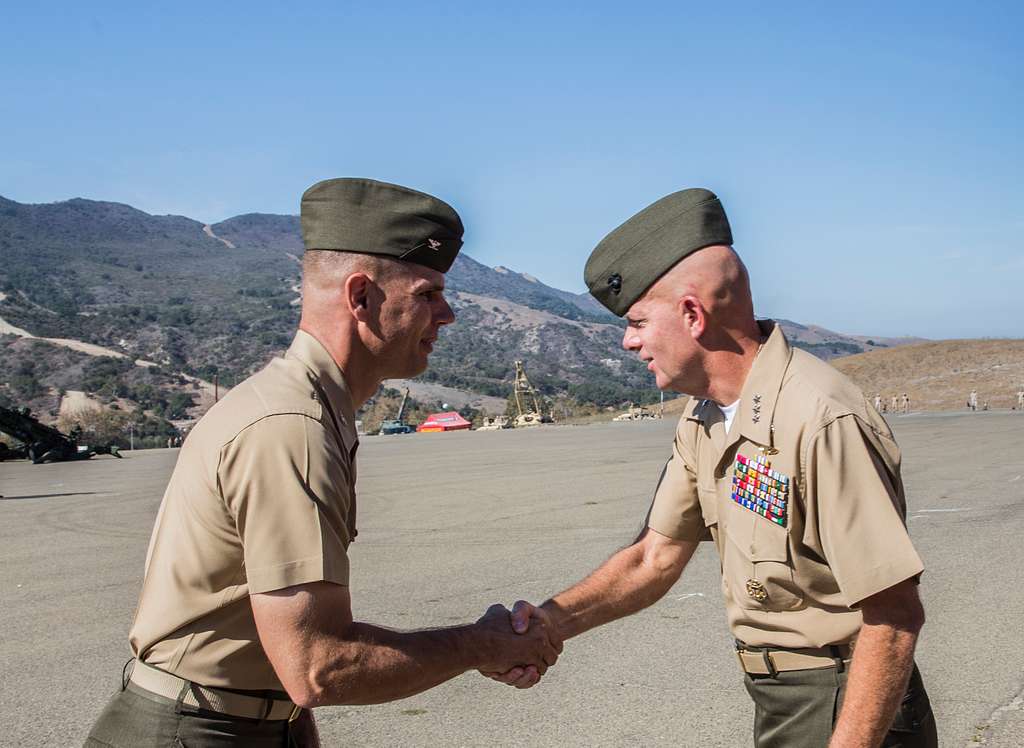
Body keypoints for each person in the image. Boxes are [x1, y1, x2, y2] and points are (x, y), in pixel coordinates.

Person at [85, 178, 561, 747]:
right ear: (361, 297)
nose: (449, 314)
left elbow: (281, 658)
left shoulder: (311, 408)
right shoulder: (292, 427)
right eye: (427, 294)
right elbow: (317, 666)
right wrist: (482, 644)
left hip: (243, 723)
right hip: (195, 734)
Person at [488, 189, 936, 747]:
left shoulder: (819, 417)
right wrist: (547, 624)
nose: (629, 342)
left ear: (692, 315)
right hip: (787, 701)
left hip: (848, 702)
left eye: (638, 322)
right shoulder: (704, 416)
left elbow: (892, 617)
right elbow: (653, 559)